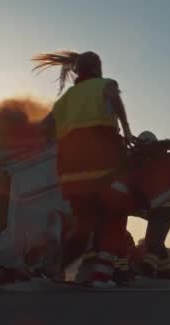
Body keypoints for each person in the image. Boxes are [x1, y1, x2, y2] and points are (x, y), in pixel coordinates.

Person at [32, 50, 134, 288]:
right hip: (103, 167)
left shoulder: (67, 97)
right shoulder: (106, 84)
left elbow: (45, 127)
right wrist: (127, 128)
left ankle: (54, 270)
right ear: (98, 67)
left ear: (78, 71)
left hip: (73, 175)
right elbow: (114, 98)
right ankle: (100, 276)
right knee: (113, 219)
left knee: (84, 225)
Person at [133, 131, 170, 279]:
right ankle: (164, 273)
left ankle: (146, 270)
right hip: (159, 208)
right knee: (157, 241)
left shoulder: (159, 159)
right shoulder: (156, 158)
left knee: (153, 242)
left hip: (164, 208)